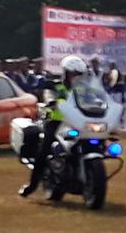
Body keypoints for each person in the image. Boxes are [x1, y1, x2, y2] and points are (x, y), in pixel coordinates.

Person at [20, 55, 90, 197]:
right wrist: (51, 101)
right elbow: (48, 95)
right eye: (73, 73)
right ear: (65, 73)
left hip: (78, 123)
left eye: (79, 74)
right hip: (56, 123)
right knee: (44, 149)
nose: (76, 77)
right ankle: (33, 184)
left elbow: (94, 100)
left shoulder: (84, 89)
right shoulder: (54, 85)